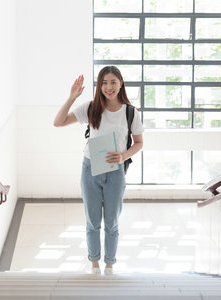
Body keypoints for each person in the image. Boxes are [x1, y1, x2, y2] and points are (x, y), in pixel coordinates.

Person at [53, 66, 144, 275]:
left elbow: (139, 143)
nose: (108, 87)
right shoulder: (92, 107)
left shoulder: (131, 112)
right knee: (93, 221)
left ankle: (109, 264)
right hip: (90, 169)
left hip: (115, 171)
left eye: (113, 82)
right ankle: (94, 264)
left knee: (111, 222)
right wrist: (71, 97)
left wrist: (123, 156)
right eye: (104, 83)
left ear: (121, 83)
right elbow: (58, 122)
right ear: (99, 86)